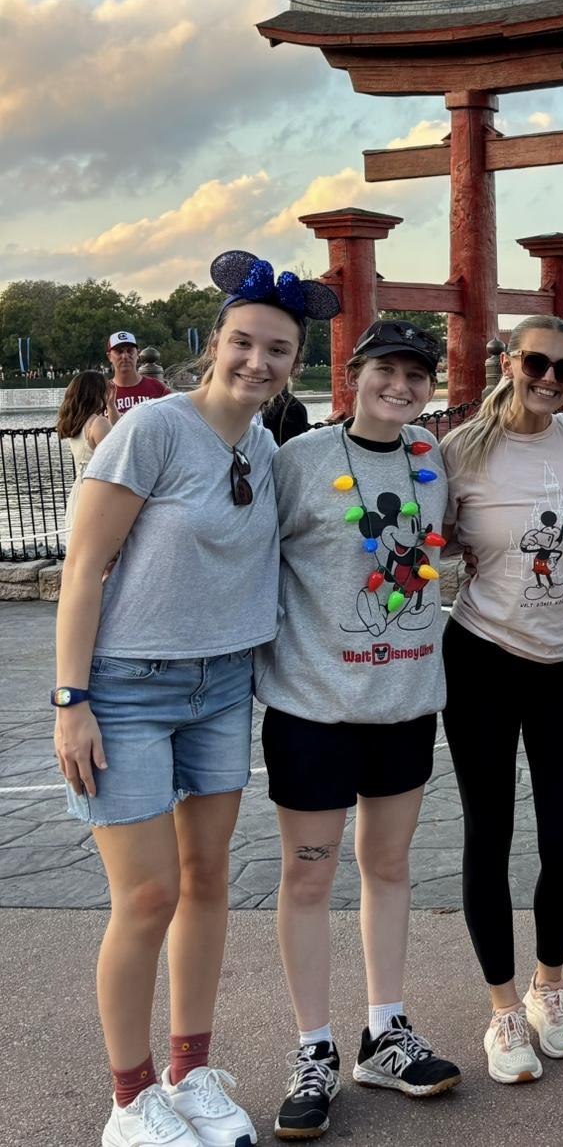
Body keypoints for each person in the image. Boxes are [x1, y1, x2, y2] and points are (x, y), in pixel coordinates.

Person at [53, 251, 338, 1147]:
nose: (259, 362)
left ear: (297, 364)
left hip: (223, 686)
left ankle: (189, 1069)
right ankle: (130, 1098)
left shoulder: (264, 445)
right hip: (128, 688)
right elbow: (84, 567)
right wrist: (71, 698)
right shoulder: (155, 430)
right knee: (146, 896)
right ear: (214, 344)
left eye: (279, 351)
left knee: (210, 882)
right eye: (244, 343)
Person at [257, 318, 459, 1139]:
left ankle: (386, 1032)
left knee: (388, 868)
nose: (401, 388)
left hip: (405, 704)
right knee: (309, 876)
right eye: (387, 371)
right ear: (353, 373)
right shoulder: (296, 462)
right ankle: (314, 1049)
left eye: (417, 375)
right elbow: (243, 555)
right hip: (314, 708)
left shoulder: (430, 458)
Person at [438, 315, 563, 1088]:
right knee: (491, 831)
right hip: (483, 657)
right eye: (536, 362)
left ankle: (549, 985)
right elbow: (409, 538)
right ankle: (502, 1004)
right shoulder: (459, 452)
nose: (549, 379)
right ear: (510, 362)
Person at [56, 370, 115, 539]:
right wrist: (111, 406)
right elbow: (117, 457)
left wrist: (110, 406)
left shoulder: (75, 424)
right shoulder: (98, 423)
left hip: (80, 489)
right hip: (98, 491)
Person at [106, 332, 170, 419]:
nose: (125, 356)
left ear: (138, 354)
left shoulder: (158, 388)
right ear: (109, 356)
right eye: (119, 352)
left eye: (130, 351)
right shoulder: (102, 392)